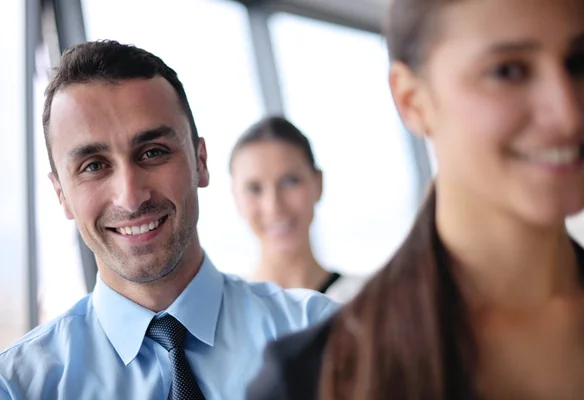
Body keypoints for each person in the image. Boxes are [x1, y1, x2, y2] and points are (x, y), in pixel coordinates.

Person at [247, 0, 584, 398]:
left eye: (578, 62)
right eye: (508, 71)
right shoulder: (313, 379)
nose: (569, 115)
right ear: (413, 100)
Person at [0, 40, 338, 400]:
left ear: (200, 161)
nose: (131, 195)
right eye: (93, 166)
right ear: (61, 194)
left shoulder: (324, 336)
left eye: (152, 153)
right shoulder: (16, 388)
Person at [229, 116, 367, 302]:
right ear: (236, 197)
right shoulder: (225, 314)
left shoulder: (366, 301)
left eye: (289, 181)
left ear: (318, 183)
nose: (273, 206)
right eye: (254, 189)